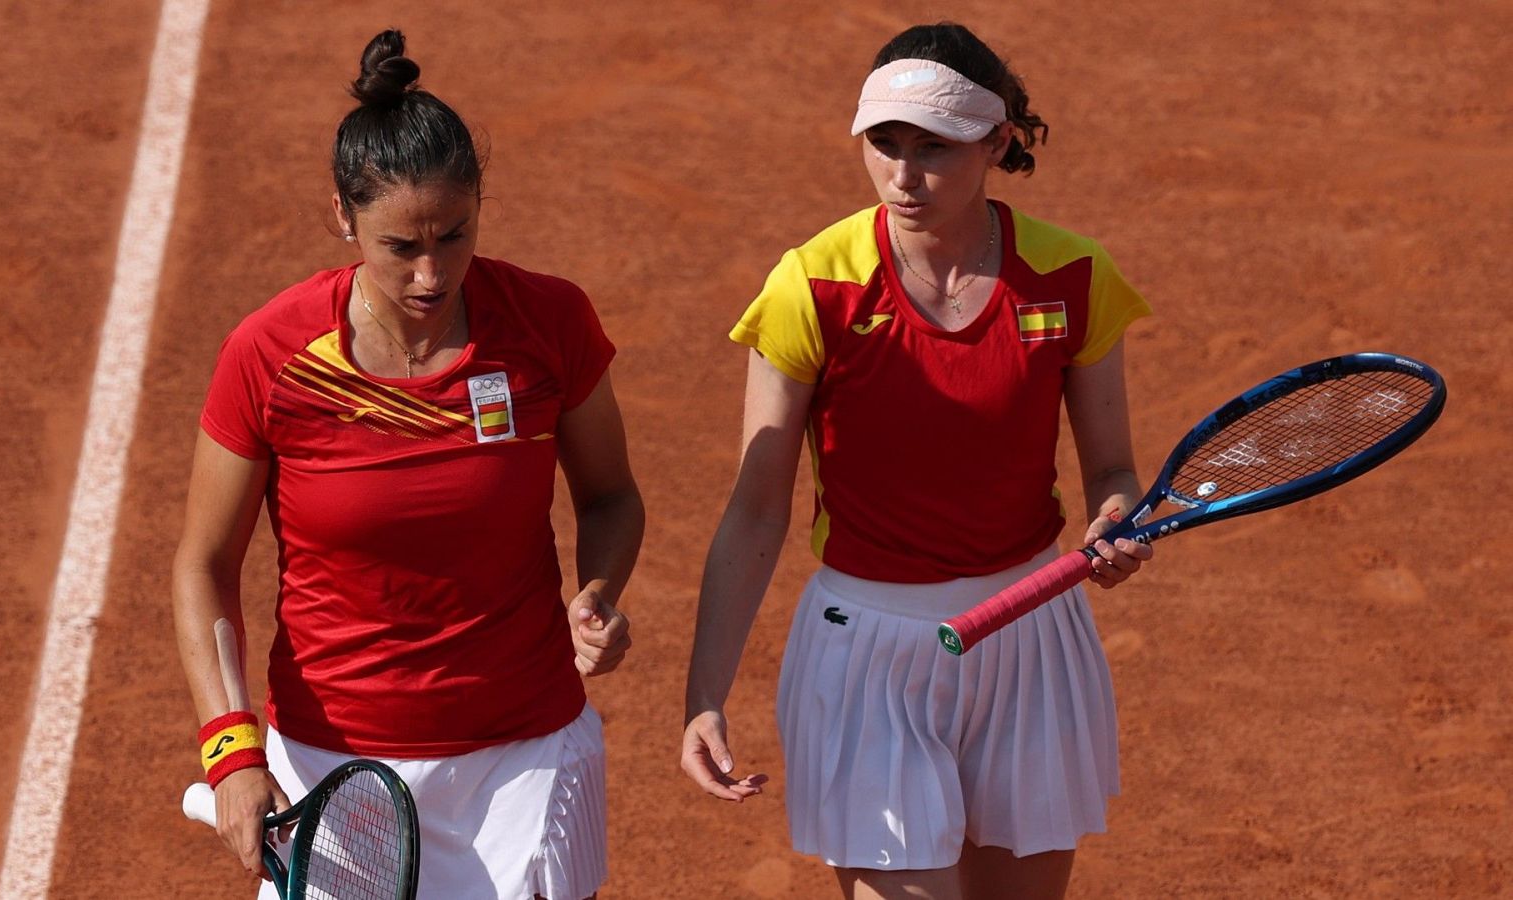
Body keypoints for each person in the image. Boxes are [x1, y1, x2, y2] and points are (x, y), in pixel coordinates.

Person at [681, 22, 1154, 900]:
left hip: (1030, 632)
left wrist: (1116, 519)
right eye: (883, 145)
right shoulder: (812, 287)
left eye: (932, 149)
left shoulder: (1072, 276)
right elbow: (756, 508)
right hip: (868, 655)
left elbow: (1114, 472)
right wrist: (704, 692)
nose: (902, 175)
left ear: (996, 142)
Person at [172, 30, 643, 900]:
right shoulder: (272, 355)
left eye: (455, 236)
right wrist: (232, 747)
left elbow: (610, 496)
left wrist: (598, 592)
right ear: (344, 218)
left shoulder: (549, 323)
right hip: (332, 763)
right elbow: (204, 563)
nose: (433, 273)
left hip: (525, 754)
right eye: (400, 248)